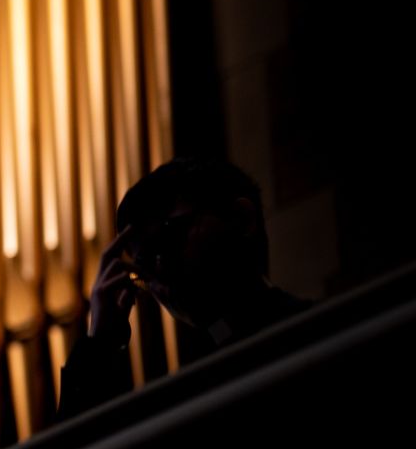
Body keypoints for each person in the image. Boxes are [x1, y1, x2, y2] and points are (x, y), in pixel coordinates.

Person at [58, 157, 311, 420]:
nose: (158, 268)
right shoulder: (183, 398)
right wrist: (100, 345)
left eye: (169, 236)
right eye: (143, 261)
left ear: (241, 219)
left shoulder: (319, 334)